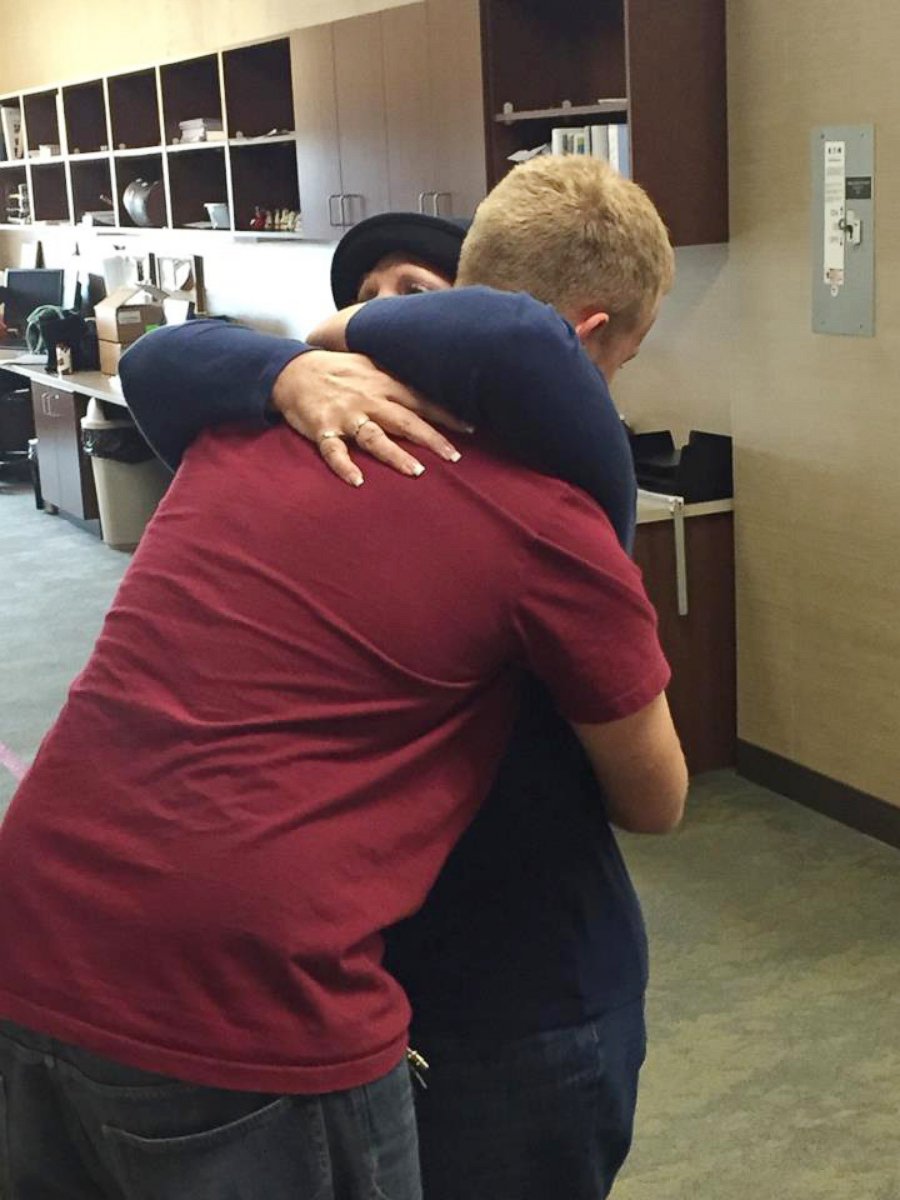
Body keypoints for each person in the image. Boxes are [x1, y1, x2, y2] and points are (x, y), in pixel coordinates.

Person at [0, 156, 685, 1199]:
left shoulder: (244, 436)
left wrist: (298, 359)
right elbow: (657, 797)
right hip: (246, 995)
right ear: (591, 337)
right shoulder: (551, 525)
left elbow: (171, 367)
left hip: (33, 938)